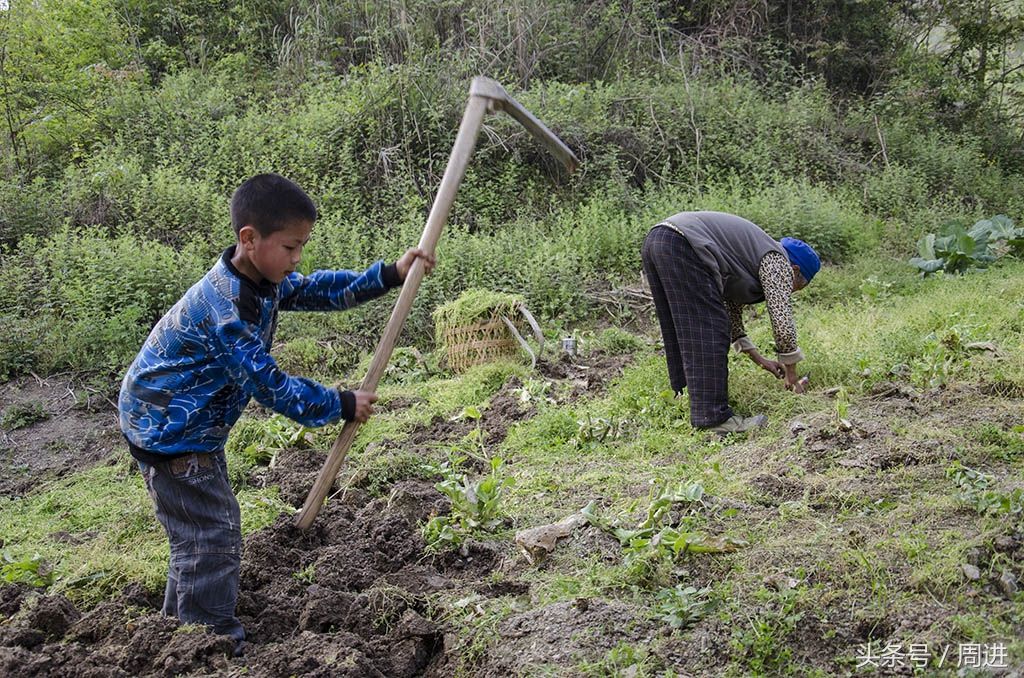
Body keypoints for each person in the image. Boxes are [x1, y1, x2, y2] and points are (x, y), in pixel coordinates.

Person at [117, 173, 435, 654]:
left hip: (179, 426)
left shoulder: (258, 279)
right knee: (213, 531)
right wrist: (340, 403)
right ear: (249, 238)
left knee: (195, 533)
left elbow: (316, 290)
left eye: (301, 246)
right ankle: (209, 645)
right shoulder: (227, 311)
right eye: (290, 247)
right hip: (169, 431)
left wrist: (388, 274)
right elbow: (272, 386)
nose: (297, 259)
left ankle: (177, 631)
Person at [640, 211, 820, 434]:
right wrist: (792, 372)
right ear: (795, 270)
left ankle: (684, 395)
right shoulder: (778, 260)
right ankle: (714, 419)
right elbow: (781, 321)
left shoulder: (746, 259)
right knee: (710, 329)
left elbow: (731, 310)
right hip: (684, 243)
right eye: (796, 287)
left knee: (682, 325)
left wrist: (759, 358)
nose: (789, 291)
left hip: (660, 239)